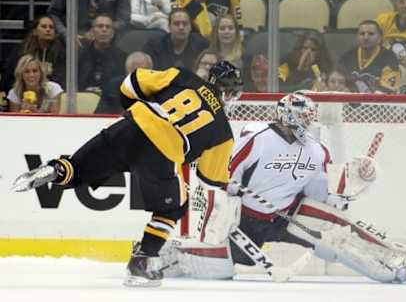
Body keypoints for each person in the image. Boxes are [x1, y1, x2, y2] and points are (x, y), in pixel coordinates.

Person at [12, 60, 244, 287]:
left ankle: (55, 169)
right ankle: (140, 264)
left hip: (131, 125)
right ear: (228, 93)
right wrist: (223, 178)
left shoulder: (183, 76)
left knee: (77, 169)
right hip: (162, 153)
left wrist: (138, 112)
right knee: (173, 208)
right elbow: (210, 179)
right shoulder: (223, 131)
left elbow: (130, 83)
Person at [154, 92, 406, 284]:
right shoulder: (255, 140)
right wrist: (224, 210)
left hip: (284, 218)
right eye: (302, 117)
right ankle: (167, 253)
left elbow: (319, 195)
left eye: (309, 117)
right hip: (243, 220)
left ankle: (388, 262)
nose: (307, 122)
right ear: (287, 115)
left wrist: (350, 184)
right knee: (221, 268)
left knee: (334, 237)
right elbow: (222, 178)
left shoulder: (316, 150)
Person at [47, 0, 131, 43]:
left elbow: (124, 18)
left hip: (110, 39)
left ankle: (142, 70)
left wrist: (105, 30)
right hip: (74, 39)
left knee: (138, 59)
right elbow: (53, 13)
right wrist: (65, 34)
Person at [4, 15, 66, 90]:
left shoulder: (61, 52)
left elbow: (61, 79)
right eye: (44, 26)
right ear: (35, 31)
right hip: (23, 93)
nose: (48, 29)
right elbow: (11, 76)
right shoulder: (21, 51)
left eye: (51, 27)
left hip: (51, 93)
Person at [339, 20, 400, 94]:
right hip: (348, 103)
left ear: (380, 37)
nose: (366, 37)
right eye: (362, 34)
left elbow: (387, 90)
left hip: (377, 103)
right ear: (357, 37)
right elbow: (337, 83)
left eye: (371, 34)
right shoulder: (347, 57)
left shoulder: (389, 58)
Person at [143, 8, 209, 70]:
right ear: (169, 27)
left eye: (185, 24)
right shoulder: (154, 45)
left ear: (191, 27)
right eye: (176, 24)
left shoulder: (202, 44)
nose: (181, 27)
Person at [171, 0, 242, 39]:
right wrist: (196, 2)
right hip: (191, 43)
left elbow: (238, 24)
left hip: (220, 42)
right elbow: (176, 22)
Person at [78, 14, 126, 92]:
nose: (104, 30)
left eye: (108, 27)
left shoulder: (122, 58)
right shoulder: (80, 56)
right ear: (92, 31)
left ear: (113, 33)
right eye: (100, 26)